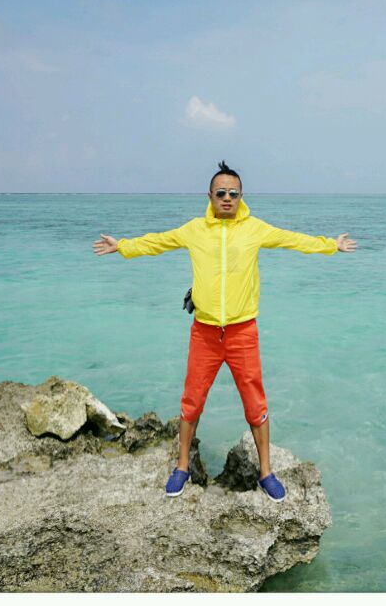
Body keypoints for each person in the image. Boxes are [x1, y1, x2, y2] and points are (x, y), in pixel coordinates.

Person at [92, 161, 357, 501]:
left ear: (241, 196)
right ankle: (182, 467)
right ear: (210, 196)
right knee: (192, 401)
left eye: (234, 193)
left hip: (242, 332)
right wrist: (123, 246)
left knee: (255, 404)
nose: (227, 198)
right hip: (204, 333)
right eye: (221, 193)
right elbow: (159, 241)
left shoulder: (255, 229)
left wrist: (330, 245)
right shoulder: (194, 229)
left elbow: (292, 239)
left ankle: (266, 472)